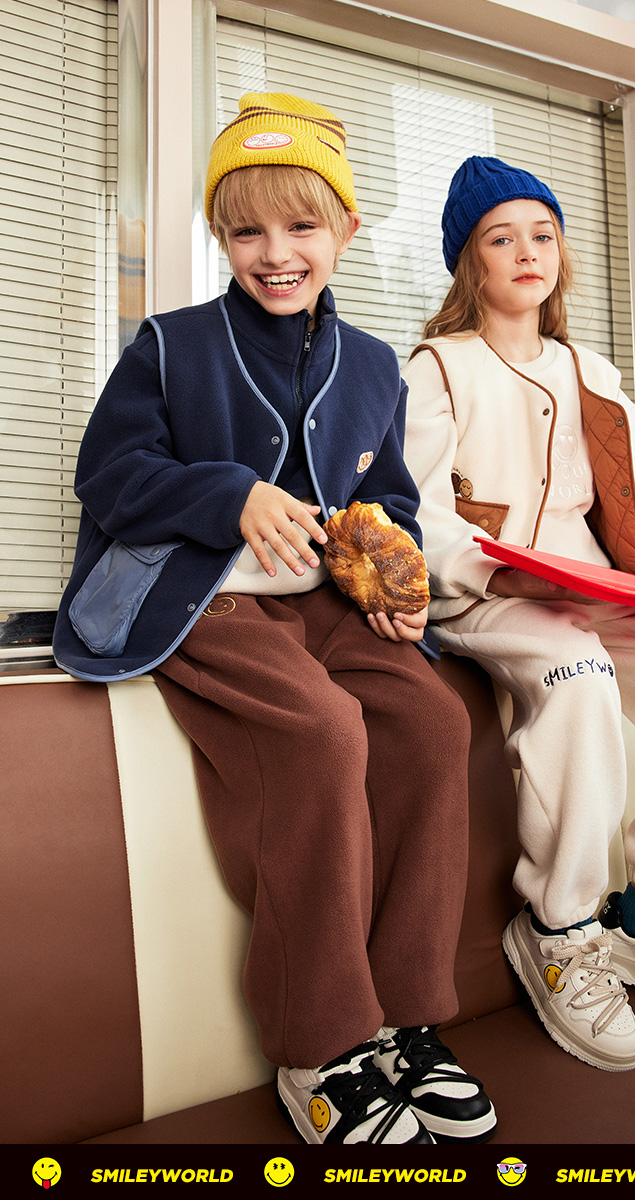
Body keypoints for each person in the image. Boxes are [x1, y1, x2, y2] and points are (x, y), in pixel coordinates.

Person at [53, 95, 497, 1144]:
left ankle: (404, 1018)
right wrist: (230, 495)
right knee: (322, 731)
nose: (275, 252)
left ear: (345, 230)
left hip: (328, 605)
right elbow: (108, 475)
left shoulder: (377, 367)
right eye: (246, 229)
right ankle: (319, 1044)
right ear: (219, 235)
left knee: (434, 723)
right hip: (204, 599)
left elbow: (389, 499)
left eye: (302, 225)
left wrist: (389, 569)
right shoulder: (169, 346)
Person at [402, 155, 635, 1073]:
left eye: (542, 234)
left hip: (598, 591)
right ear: (470, 261)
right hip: (487, 595)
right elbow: (415, 512)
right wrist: (490, 570)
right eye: (501, 238)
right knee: (579, 675)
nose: (526, 252)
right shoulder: (436, 367)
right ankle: (561, 930)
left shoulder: (594, 373)